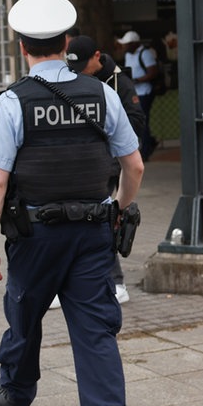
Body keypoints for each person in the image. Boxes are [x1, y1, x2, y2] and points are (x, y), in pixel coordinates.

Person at [0, 0, 143, 406]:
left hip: (35, 236)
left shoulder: (14, 101)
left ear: (20, 46)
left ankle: (14, 396)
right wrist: (119, 212)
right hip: (93, 234)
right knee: (95, 334)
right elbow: (135, 165)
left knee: (25, 318)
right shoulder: (101, 94)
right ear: (67, 40)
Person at [64, 34, 146, 306]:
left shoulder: (119, 82)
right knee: (74, 219)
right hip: (81, 161)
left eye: (82, 66)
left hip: (109, 162)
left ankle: (116, 282)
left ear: (97, 57)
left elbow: (136, 121)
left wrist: (107, 134)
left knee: (102, 216)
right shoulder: (73, 77)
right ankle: (70, 281)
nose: (76, 73)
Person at [117, 30, 159, 159]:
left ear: (135, 44)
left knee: (142, 120)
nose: (124, 47)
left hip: (144, 91)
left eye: (127, 44)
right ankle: (149, 142)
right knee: (135, 119)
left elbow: (153, 72)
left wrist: (137, 80)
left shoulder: (145, 54)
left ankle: (145, 150)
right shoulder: (128, 55)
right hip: (134, 92)